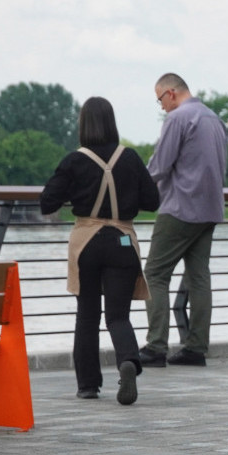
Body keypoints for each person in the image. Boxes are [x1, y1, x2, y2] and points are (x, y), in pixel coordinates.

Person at [40, 97, 160, 404]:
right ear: (112, 123)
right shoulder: (130, 158)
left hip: (88, 243)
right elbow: (153, 202)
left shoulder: (74, 161)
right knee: (118, 316)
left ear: (83, 125)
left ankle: (88, 386)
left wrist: (76, 192)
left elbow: (47, 204)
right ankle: (128, 363)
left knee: (87, 316)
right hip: (121, 240)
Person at [139, 73, 228, 368]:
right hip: (209, 209)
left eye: (160, 100)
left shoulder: (178, 119)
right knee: (199, 276)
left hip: (180, 208)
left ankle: (155, 348)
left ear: (171, 93)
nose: (161, 107)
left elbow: (159, 166)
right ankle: (196, 348)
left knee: (154, 274)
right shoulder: (214, 119)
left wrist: (134, 186)